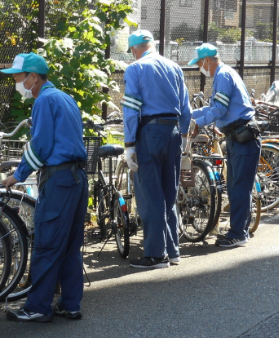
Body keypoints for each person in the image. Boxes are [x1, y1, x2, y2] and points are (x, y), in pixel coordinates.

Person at [2, 52, 88, 322]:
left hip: (59, 179)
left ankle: (37, 307)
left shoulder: (43, 101)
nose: (17, 83)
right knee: (71, 246)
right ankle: (70, 304)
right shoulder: (64, 97)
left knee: (48, 244)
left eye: (18, 77)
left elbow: (40, 147)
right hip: (78, 178)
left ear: (34, 77)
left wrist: (17, 175)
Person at [122, 30, 192, 269]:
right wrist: (182, 136)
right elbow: (187, 108)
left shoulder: (135, 69)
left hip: (149, 133)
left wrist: (129, 144)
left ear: (134, 49)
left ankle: (155, 254)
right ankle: (173, 251)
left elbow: (131, 108)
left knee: (149, 195)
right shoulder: (174, 67)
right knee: (168, 194)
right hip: (173, 132)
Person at [189, 43, 260, 247]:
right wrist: (190, 115)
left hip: (243, 136)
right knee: (236, 186)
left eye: (200, 64)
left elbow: (218, 110)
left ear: (208, 60)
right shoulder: (224, 74)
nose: (199, 68)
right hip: (237, 136)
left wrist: (197, 122)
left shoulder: (223, 76)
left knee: (239, 187)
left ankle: (238, 233)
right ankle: (240, 229)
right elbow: (214, 108)